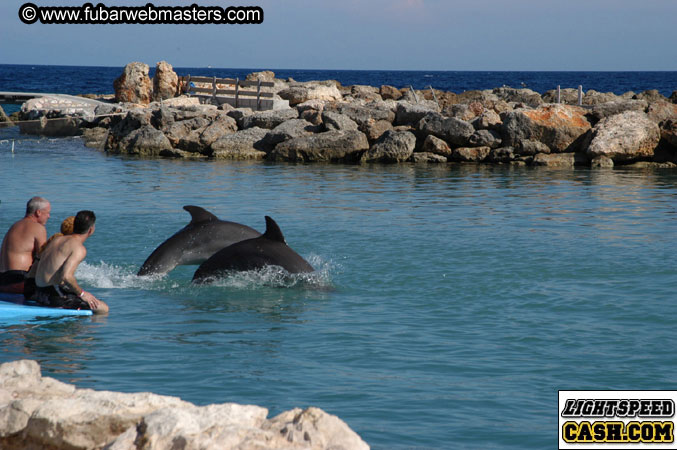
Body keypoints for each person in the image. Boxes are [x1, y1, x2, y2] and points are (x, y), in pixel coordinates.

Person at [33, 210, 109, 314]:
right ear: (91, 230)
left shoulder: (57, 239)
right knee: (103, 308)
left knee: (89, 299)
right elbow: (67, 277)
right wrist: (82, 294)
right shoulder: (79, 248)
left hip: (38, 291)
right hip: (52, 296)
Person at [0, 197, 51, 294]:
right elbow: (44, 258)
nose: (49, 216)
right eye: (47, 213)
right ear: (38, 212)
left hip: (2, 279)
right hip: (18, 280)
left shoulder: (15, 225)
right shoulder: (38, 228)